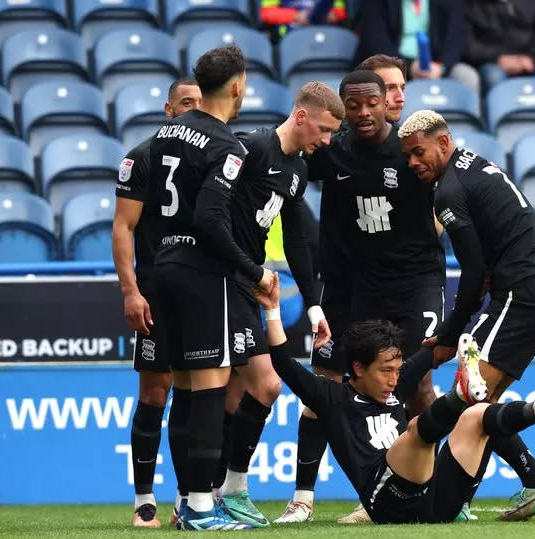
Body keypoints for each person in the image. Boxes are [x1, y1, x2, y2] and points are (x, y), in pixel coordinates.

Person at [255, 273, 535, 524]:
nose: (394, 379)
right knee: (415, 431)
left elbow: (436, 350)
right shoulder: (330, 396)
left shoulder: (398, 381)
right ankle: (459, 397)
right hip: (385, 501)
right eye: (385, 370)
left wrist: (468, 305)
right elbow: (283, 362)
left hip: (434, 500)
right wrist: (271, 308)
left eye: (398, 369)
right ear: (358, 368)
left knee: (477, 414)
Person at [275, 70, 444, 524]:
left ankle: (430, 489)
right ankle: (303, 499)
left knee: (413, 383)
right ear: (344, 108)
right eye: (355, 106)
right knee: (323, 385)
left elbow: (448, 196)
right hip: (354, 287)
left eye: (373, 102)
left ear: (386, 103)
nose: (364, 112)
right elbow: (289, 165)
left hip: (412, 283)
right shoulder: (334, 148)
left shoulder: (407, 153)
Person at [399, 109, 535, 521]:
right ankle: (531, 481)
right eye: (407, 156)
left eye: (418, 153)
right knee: (484, 402)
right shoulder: (474, 164)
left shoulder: (449, 192)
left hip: (521, 295)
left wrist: (447, 335)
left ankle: (456, 502)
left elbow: (474, 274)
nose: (412, 163)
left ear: (443, 142)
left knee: (468, 399)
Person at [211, 82, 343, 527]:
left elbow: (298, 239)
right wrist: (250, 271)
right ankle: (228, 490)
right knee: (262, 386)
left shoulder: (298, 170)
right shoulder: (252, 148)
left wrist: (313, 304)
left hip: (246, 282)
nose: (326, 141)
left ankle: (210, 495)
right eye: (323, 130)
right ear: (302, 115)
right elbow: (213, 214)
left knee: (233, 393)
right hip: (225, 279)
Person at [148, 44, 270, 531]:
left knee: (182, 387)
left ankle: (183, 503)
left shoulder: (164, 133)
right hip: (203, 273)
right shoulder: (228, 146)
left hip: (164, 265)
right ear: (238, 86)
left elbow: (155, 211)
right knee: (209, 391)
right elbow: (211, 220)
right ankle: (201, 508)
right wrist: (253, 269)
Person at [112, 77, 201, 528]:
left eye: (200, 103)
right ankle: (144, 499)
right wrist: (130, 290)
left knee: (196, 389)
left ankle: (189, 498)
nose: (193, 110)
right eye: (186, 103)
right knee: (155, 390)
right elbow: (123, 228)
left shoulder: (214, 154)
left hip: (200, 293)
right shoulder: (142, 157)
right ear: (169, 109)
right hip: (154, 292)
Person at [453, 0, 535, 94]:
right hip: (491, 62)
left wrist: (532, 58)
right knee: (493, 76)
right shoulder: (470, 4)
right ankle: (499, 117)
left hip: (531, 61)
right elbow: (468, 45)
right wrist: (498, 58)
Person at [353, 0, 467, 82]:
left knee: (465, 75)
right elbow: (376, 40)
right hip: (388, 64)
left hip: (437, 66)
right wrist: (408, 66)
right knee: (384, 76)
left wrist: (441, 67)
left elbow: (455, 37)